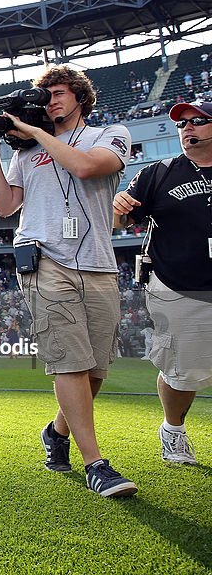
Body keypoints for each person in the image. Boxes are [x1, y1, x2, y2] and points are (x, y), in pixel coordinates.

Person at [0, 65, 137, 498]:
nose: (51, 100)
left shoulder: (109, 134)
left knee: (96, 370)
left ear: (80, 98)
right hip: (44, 257)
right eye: (45, 94)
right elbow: (5, 205)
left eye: (59, 92)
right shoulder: (25, 152)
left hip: (99, 263)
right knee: (69, 360)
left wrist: (35, 132)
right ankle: (96, 464)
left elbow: (87, 168)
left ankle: (56, 431)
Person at [113, 100, 212, 464]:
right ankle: (173, 430)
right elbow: (118, 222)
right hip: (177, 285)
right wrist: (118, 207)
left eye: (199, 121)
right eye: (183, 123)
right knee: (181, 371)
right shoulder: (159, 172)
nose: (188, 127)